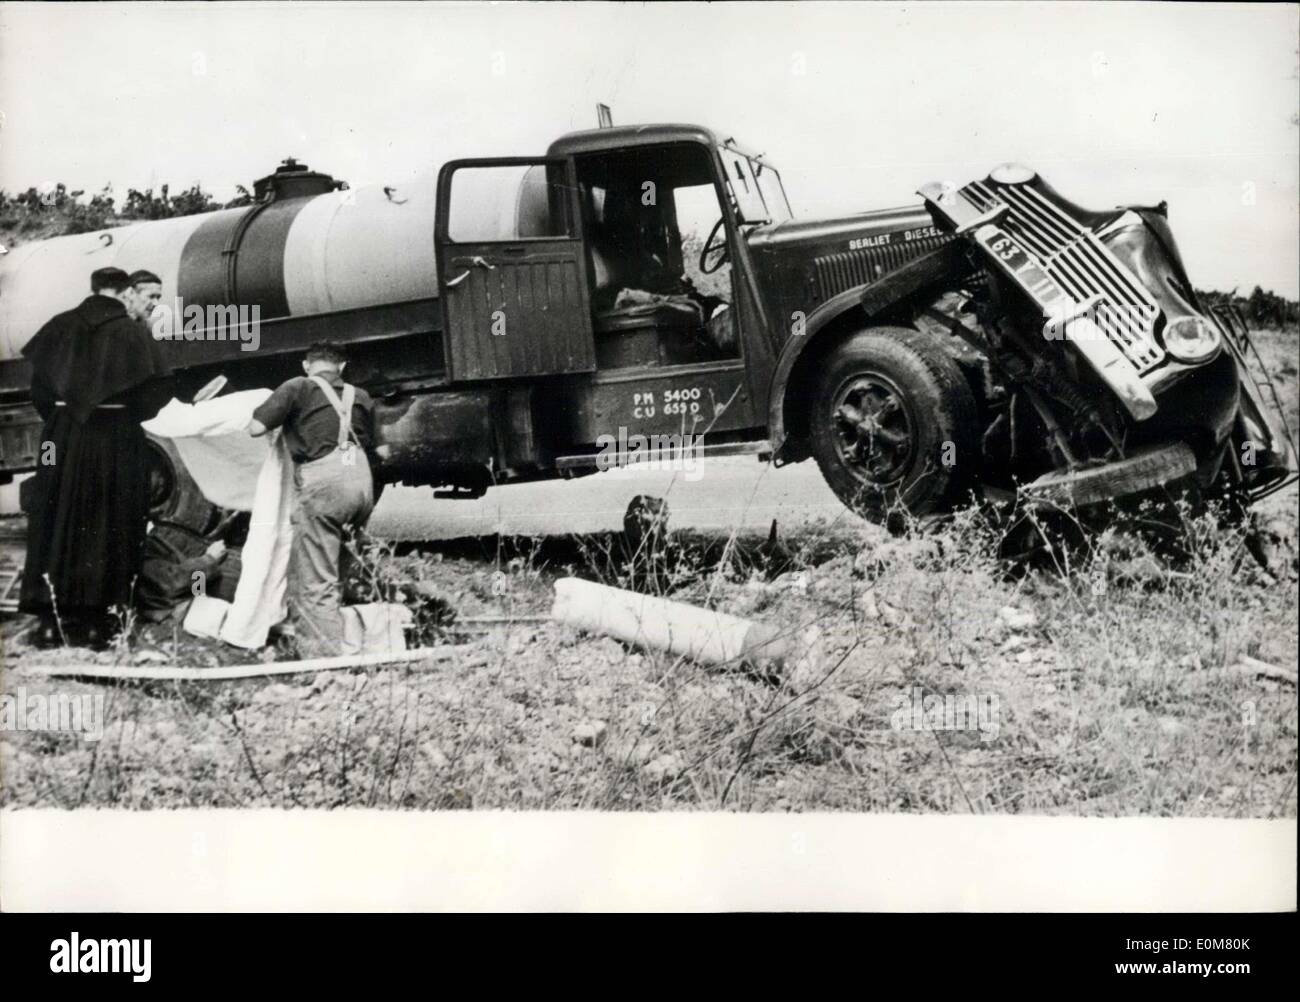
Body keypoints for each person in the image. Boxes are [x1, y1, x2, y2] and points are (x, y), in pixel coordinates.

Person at [19, 266, 173, 648]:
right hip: (115, 438)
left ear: (92, 289)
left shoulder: (58, 326)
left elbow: (37, 391)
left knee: (52, 515)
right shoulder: (132, 332)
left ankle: (49, 623)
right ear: (124, 293)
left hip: (58, 440)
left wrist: (63, 421)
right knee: (111, 521)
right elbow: (155, 396)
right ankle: (97, 624)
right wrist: (121, 416)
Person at [248, 342, 376, 657]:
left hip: (325, 488)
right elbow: (379, 448)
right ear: (342, 368)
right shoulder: (360, 396)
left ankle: (323, 663)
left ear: (307, 366)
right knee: (339, 571)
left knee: (316, 581)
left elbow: (255, 427)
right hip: (362, 487)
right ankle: (358, 640)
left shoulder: (298, 386)